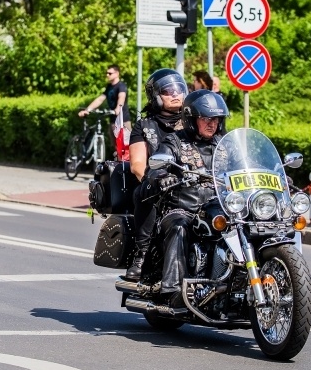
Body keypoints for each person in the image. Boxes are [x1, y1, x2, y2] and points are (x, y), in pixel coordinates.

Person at [146, 90, 229, 305]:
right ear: (191, 120)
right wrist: (162, 175)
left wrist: (276, 175)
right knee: (179, 227)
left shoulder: (225, 145)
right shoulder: (174, 141)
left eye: (216, 119)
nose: (212, 123)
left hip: (221, 208)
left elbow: (245, 165)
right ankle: (173, 290)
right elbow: (155, 168)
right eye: (206, 118)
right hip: (183, 209)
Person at [124, 69, 187, 281]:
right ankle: (141, 255)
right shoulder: (145, 126)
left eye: (179, 89)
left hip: (192, 184)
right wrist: (155, 180)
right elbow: (137, 165)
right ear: (156, 96)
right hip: (160, 184)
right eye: (168, 91)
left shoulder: (195, 122)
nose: (175, 94)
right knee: (146, 192)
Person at [79, 65, 131, 145]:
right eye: (106, 73)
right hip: (113, 120)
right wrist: (87, 110)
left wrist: (118, 108)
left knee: (125, 146)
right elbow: (100, 99)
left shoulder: (121, 85)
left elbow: (121, 97)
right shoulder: (109, 87)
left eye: (110, 73)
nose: (107, 75)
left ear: (117, 73)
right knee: (116, 147)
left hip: (123, 121)